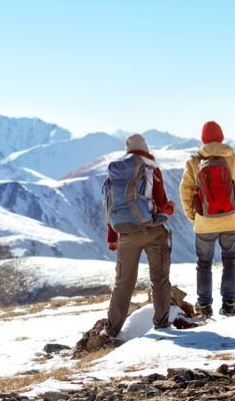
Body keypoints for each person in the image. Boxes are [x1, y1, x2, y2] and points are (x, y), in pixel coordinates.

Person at [101, 133, 176, 337]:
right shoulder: (151, 167)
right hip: (153, 231)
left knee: (123, 284)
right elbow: (160, 204)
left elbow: (112, 206)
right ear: (145, 148)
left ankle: (112, 330)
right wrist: (170, 209)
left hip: (126, 233)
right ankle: (161, 325)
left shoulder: (116, 173)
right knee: (159, 278)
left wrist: (112, 238)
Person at [179, 121, 235, 317]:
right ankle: (228, 304)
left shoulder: (194, 161)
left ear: (203, 139)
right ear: (221, 137)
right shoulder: (233, 159)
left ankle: (204, 306)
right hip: (230, 220)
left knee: (204, 263)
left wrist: (193, 217)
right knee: (230, 261)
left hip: (204, 222)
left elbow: (185, 192)